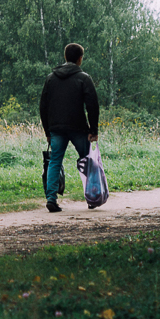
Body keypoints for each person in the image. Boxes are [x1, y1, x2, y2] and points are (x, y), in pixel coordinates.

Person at [39, 42, 99, 212]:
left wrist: (47, 131)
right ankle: (92, 197)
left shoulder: (51, 78)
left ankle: (51, 199)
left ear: (65, 57)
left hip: (56, 128)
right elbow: (92, 105)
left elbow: (43, 106)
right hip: (78, 127)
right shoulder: (83, 78)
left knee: (55, 161)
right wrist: (93, 130)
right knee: (87, 160)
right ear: (80, 59)